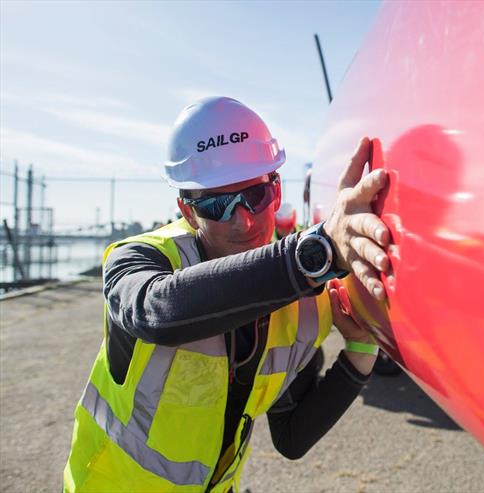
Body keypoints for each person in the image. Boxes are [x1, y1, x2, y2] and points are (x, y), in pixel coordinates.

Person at [63, 96, 392, 492]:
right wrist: (316, 251)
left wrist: (360, 349)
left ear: (276, 188)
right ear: (187, 212)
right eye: (218, 205)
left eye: (255, 194)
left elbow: (291, 437)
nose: (244, 220)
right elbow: (156, 312)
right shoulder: (142, 258)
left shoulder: (303, 303)